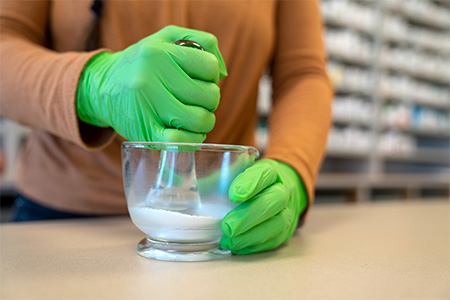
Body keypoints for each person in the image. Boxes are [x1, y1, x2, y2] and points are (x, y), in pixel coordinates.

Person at [0, 0, 332, 255]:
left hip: (223, 223)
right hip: (60, 223)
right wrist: (93, 85)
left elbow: (303, 74)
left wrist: (292, 168)